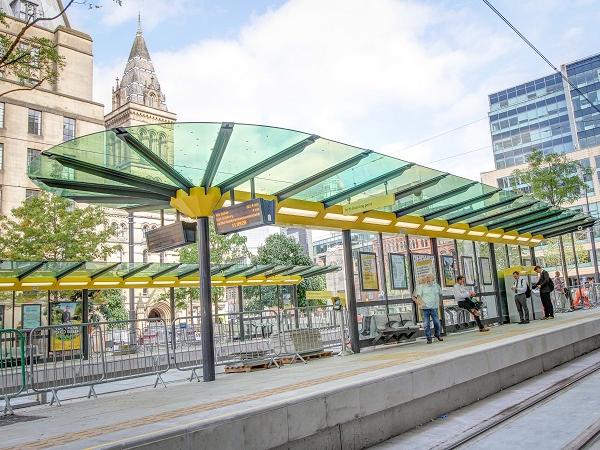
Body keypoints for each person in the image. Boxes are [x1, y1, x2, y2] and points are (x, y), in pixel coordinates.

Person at [414, 274, 443, 344]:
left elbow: (440, 294)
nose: (428, 279)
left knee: (437, 322)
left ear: (433, 279)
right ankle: (429, 338)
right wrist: (420, 303)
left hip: (434, 308)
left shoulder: (437, 286)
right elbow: (418, 296)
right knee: (426, 324)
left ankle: (437, 334)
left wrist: (440, 302)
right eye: (427, 278)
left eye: (429, 277)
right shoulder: (422, 287)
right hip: (425, 308)